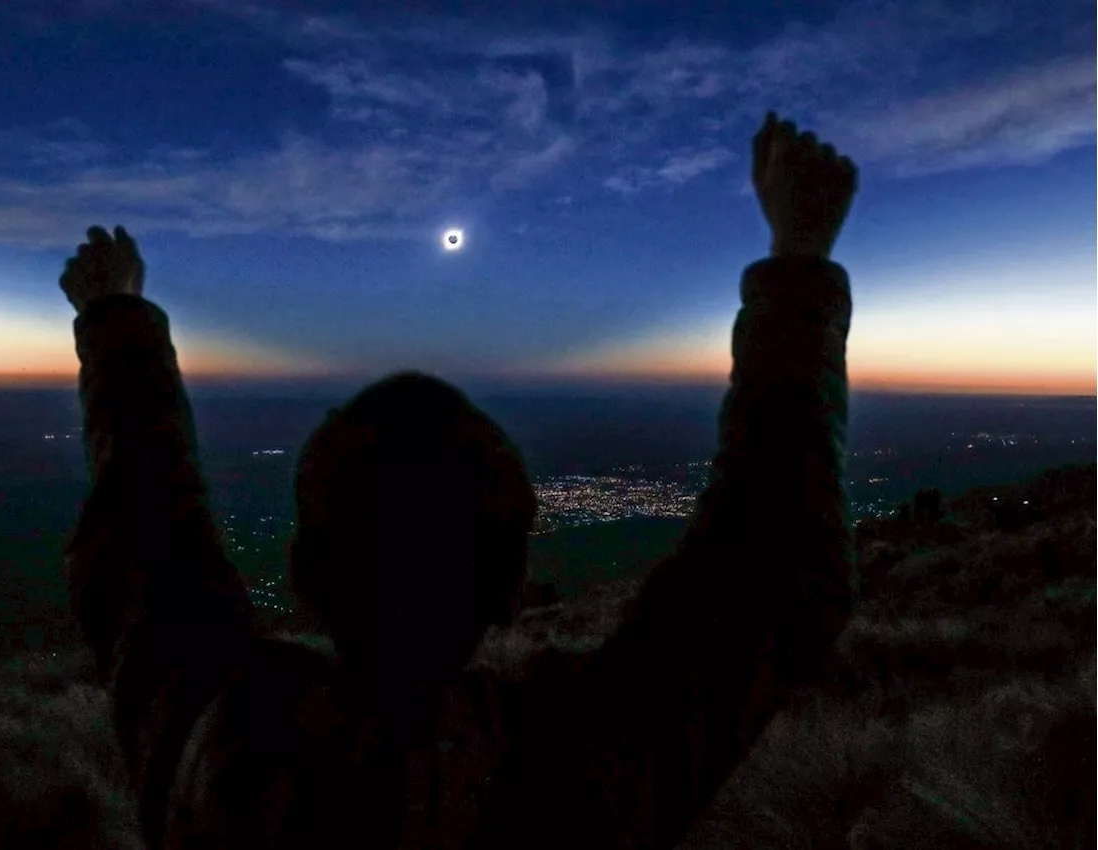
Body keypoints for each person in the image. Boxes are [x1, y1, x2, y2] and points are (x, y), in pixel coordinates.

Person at [59, 111, 858, 849]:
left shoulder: (220, 750)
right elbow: (773, 556)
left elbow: (147, 541)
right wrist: (799, 253)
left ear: (303, 574)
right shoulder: (573, 775)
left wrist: (116, 315)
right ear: (512, 587)